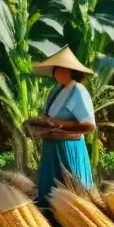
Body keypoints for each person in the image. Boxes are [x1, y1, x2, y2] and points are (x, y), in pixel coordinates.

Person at [30, 48, 96, 203]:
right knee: (50, 195)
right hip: (52, 147)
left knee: (72, 197)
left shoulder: (78, 91)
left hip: (69, 148)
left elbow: (89, 126)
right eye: (55, 70)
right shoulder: (57, 89)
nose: (56, 73)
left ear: (70, 71)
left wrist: (61, 125)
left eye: (60, 70)